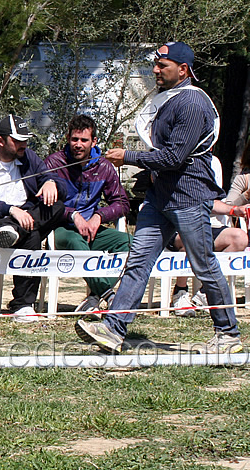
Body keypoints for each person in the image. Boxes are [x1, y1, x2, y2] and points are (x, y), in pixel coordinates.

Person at [77, 41, 242, 354]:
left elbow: (174, 157)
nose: (155, 70)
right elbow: (162, 154)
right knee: (138, 263)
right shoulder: (169, 100)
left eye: (162, 66)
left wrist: (128, 157)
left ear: (183, 70)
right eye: (155, 64)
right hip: (159, 198)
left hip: (189, 196)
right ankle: (113, 328)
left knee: (204, 265)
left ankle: (228, 335)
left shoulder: (193, 104)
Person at [0, 115, 66, 322]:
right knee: (33, 236)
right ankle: (23, 305)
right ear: (1, 141)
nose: (23, 145)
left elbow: (60, 187)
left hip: (21, 222)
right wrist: (9, 210)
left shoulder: (29, 158)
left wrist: (51, 182)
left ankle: (15, 231)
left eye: (26, 140)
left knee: (57, 207)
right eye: (18, 140)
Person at [45, 115, 132, 316]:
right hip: (61, 228)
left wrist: (100, 216)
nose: (78, 145)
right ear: (68, 139)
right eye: (74, 139)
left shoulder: (104, 167)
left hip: (92, 229)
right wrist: (72, 215)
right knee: (77, 242)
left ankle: (95, 297)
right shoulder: (54, 163)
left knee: (131, 243)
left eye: (84, 140)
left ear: (93, 142)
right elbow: (43, 202)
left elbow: (122, 202)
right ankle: (109, 295)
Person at [170, 155, 248, 317]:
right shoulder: (174, 159)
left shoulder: (214, 162)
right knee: (193, 236)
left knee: (239, 237)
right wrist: (245, 196)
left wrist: (234, 210)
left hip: (210, 225)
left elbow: (218, 202)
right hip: (176, 225)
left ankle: (205, 292)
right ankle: (180, 291)